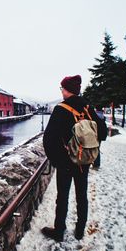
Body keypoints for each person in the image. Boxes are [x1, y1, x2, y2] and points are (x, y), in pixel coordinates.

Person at [42, 75, 107, 242]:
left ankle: (59, 231)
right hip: (83, 162)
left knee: (62, 196)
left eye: (62, 88)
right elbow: (103, 133)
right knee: (81, 195)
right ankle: (79, 231)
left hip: (65, 163)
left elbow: (48, 139)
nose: (61, 91)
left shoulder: (60, 108)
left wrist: (58, 161)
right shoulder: (87, 107)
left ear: (66, 90)